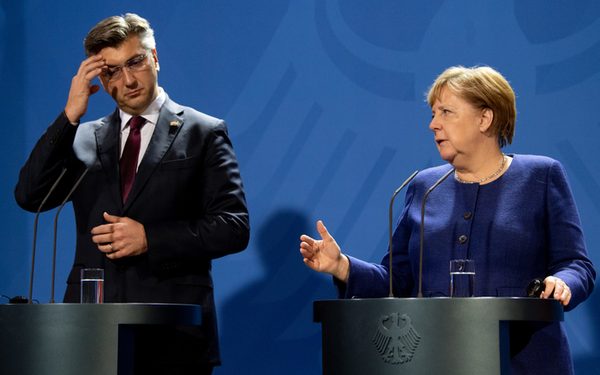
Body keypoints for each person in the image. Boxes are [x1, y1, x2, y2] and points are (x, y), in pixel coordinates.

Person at [299, 66, 595, 374]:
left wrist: (563, 283)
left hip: (524, 360)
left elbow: (577, 264)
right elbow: (397, 280)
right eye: (432, 114)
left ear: (485, 118)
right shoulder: (423, 186)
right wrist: (342, 266)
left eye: (446, 112)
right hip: (436, 360)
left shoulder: (541, 176)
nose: (433, 125)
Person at [15, 13, 249, 374]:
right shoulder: (83, 137)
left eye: (135, 62)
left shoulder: (204, 132)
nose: (127, 80)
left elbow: (234, 226)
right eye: (111, 71)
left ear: (154, 58)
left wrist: (149, 239)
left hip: (172, 331)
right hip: (89, 332)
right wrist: (70, 117)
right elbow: (30, 196)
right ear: (101, 80)